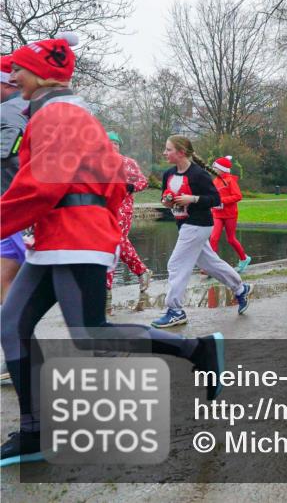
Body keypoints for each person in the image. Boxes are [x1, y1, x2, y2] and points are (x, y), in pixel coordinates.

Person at [0, 32, 224, 467]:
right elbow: (107, 183)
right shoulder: (52, 110)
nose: (14, 76)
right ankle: (34, 432)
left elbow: (42, 184)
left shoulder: (59, 113)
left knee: (89, 334)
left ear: (42, 74)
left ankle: (198, 350)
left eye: (19, 69)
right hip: (59, 236)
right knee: (11, 323)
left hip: (75, 238)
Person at [152, 135, 252, 327]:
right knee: (210, 263)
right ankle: (240, 289)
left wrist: (193, 199)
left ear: (181, 153)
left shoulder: (198, 175)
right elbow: (164, 198)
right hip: (184, 225)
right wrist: (166, 201)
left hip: (199, 225)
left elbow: (215, 199)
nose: (165, 153)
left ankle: (175, 310)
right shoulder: (168, 174)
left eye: (168, 149)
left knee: (176, 264)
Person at [0, 55, 28, 386]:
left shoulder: (10, 113)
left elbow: (10, 164)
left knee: (11, 288)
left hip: (15, 214)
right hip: (15, 214)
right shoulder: (22, 109)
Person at [104, 131, 153, 301]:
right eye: (109, 143)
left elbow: (143, 181)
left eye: (116, 143)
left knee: (115, 240)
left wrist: (131, 187)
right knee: (108, 244)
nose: (113, 146)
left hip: (123, 208)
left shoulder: (128, 163)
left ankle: (138, 272)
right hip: (103, 209)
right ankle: (110, 283)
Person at [208, 156, 251, 273]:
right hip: (217, 214)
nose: (213, 169)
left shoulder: (230, 181)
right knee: (213, 238)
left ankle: (244, 258)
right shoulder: (215, 181)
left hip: (230, 214)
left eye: (215, 168)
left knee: (231, 239)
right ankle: (211, 266)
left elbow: (238, 196)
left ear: (222, 169)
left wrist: (222, 200)